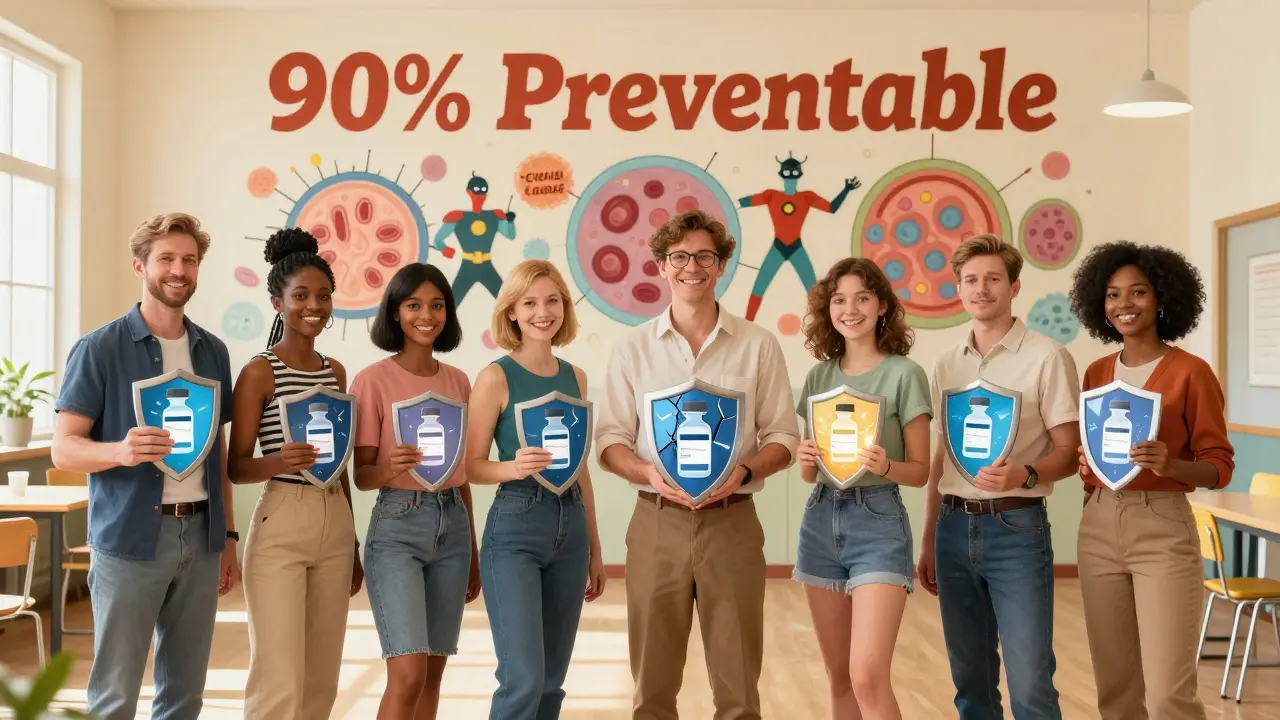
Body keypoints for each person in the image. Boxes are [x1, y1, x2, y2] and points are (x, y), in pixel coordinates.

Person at [595, 209, 801, 720]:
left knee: (738, 691)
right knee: (652, 687)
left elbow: (783, 436)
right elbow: (610, 441)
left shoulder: (758, 345)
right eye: (679, 256)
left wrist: (747, 472)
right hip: (655, 523)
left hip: (731, 522)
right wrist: (646, 474)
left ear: (721, 265)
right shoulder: (631, 350)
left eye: (704, 256)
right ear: (662, 266)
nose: (692, 266)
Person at [51, 212, 240, 720]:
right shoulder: (99, 349)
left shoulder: (212, 352)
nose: (179, 270)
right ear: (140, 265)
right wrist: (119, 451)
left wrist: (227, 537)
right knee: (115, 695)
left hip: (201, 538)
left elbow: (215, 450)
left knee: (184, 695)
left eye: (189, 260)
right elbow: (64, 448)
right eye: (167, 259)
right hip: (130, 541)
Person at [915, 233, 1079, 720]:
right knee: (970, 682)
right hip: (951, 529)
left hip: (1018, 530)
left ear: (1014, 287)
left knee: (1030, 680)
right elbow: (940, 459)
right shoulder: (946, 364)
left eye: (992, 279)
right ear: (958, 289)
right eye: (970, 280)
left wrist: (1024, 474)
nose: (981, 288)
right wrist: (928, 539)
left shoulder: (1047, 357)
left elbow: (1070, 453)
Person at [1067, 241, 1233, 720]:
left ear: (1162, 299)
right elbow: (1093, 453)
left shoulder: (1190, 372)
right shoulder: (1097, 373)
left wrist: (1171, 465)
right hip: (1098, 525)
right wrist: (1087, 468)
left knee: (1168, 696)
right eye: (1113, 295)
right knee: (1115, 691)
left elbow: (1219, 466)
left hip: (1162, 529)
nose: (1125, 305)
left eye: (1138, 292)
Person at [226, 227, 362, 720]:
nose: (315, 306)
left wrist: (355, 547)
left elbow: (341, 462)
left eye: (324, 296)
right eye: (301, 295)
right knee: (279, 679)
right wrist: (279, 461)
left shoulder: (336, 372)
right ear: (277, 301)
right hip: (281, 516)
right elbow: (237, 466)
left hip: (335, 520)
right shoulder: (259, 372)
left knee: (321, 677)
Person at [465, 259, 607, 720]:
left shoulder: (577, 377)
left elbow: (580, 469)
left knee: (551, 682)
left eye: (552, 301)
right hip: (515, 528)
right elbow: (471, 466)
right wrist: (511, 468)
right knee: (523, 678)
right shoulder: (495, 377)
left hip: (571, 530)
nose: (542, 312)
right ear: (511, 312)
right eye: (529, 302)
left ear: (564, 308)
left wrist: (596, 550)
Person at [793, 257, 932, 720]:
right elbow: (811, 473)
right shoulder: (818, 377)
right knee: (839, 678)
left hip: (879, 524)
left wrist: (887, 464)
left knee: (867, 675)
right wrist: (805, 462)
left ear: (882, 308)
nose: (849, 309)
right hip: (820, 520)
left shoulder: (904, 374)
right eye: (839, 300)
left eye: (862, 298)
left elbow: (920, 471)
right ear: (827, 310)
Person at [350, 262, 482, 720]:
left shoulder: (459, 382)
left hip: (454, 528)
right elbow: (361, 476)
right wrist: (387, 468)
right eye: (413, 304)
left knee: (433, 672)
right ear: (395, 312)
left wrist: (474, 553)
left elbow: (460, 473)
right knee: (407, 673)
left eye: (437, 304)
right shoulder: (371, 380)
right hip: (397, 528)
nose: (426, 314)